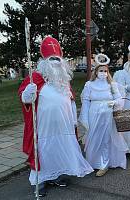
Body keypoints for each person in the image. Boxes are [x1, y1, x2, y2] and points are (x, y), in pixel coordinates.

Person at [18, 36, 93, 197]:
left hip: (63, 126)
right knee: (44, 151)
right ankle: (41, 181)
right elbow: (25, 100)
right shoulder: (35, 79)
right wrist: (27, 94)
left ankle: (57, 175)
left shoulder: (64, 80)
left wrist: (74, 120)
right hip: (44, 128)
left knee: (59, 149)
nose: (56, 62)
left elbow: (71, 100)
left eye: (57, 59)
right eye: (52, 59)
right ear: (44, 61)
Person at [78, 53, 128, 177]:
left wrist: (114, 102)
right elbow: (85, 101)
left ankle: (104, 164)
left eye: (105, 71)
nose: (103, 73)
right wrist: (84, 117)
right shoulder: (89, 85)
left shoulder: (112, 85)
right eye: (101, 70)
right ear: (96, 71)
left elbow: (120, 98)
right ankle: (93, 162)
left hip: (107, 116)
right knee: (94, 138)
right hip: (93, 115)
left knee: (105, 140)